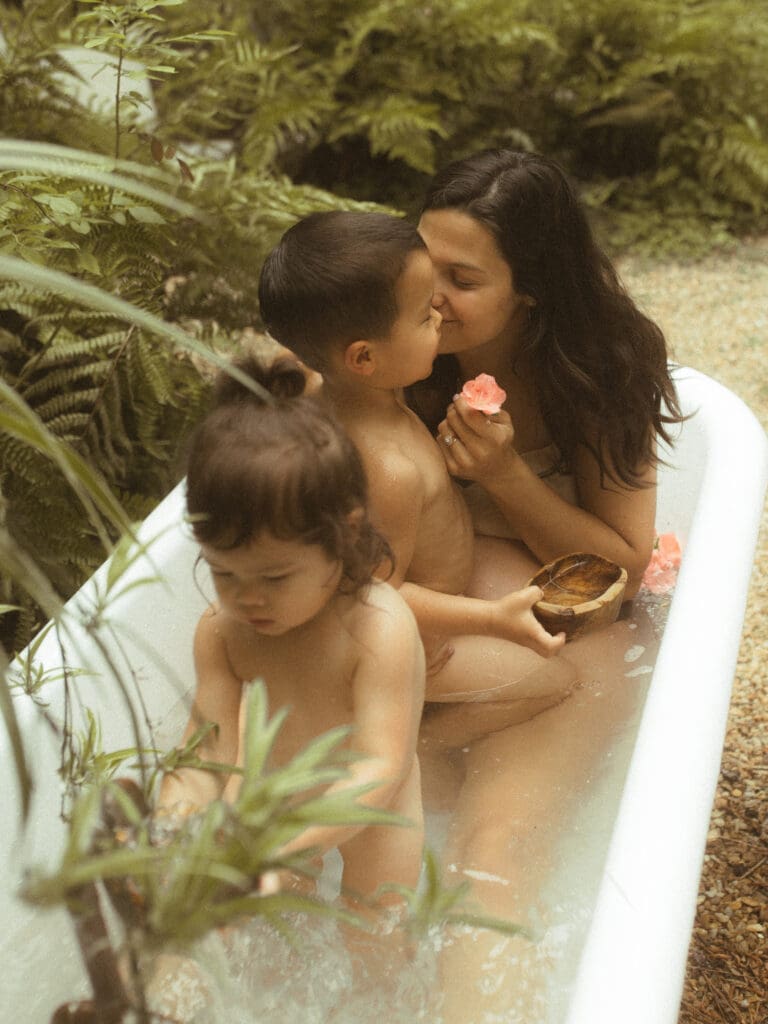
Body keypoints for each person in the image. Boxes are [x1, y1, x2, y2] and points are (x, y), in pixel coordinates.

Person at [401, 148, 685, 1022]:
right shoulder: (401, 347)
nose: (432, 296)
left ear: (530, 290)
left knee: (491, 857)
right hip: (448, 646)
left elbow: (625, 569)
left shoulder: (598, 368)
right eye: (423, 264)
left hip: (575, 639)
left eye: (462, 279)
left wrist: (506, 475)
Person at [258, 210, 577, 727]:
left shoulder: (342, 392)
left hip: (427, 610)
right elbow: (377, 594)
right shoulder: (389, 469)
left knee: (564, 635)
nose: (439, 317)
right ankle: (426, 747)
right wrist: (491, 619)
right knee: (561, 683)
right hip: (416, 644)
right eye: (425, 317)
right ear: (364, 358)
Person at [158, 354, 426, 913]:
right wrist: (171, 823)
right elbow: (209, 745)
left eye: (275, 577)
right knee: (270, 933)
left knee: (376, 929)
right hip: (279, 796)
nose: (247, 598)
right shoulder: (223, 632)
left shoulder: (377, 629)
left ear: (345, 532)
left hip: (374, 807)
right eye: (223, 573)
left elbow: (378, 764)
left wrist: (284, 847)